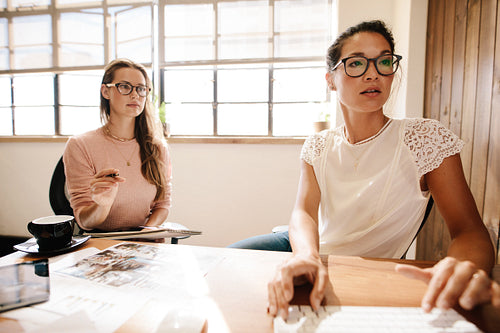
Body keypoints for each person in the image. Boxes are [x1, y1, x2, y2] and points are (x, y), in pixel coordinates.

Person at [227, 20, 495, 318]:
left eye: (384, 61)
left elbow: (469, 231)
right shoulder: (318, 144)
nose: (372, 73)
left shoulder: (425, 138)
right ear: (330, 79)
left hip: (363, 264)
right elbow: (303, 212)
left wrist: (461, 268)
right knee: (227, 263)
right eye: (356, 63)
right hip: (308, 245)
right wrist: (306, 254)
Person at [63, 58, 172, 235]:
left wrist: (145, 234)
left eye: (141, 88)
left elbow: (163, 205)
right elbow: (84, 222)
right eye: (125, 86)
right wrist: (101, 204)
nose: (135, 95)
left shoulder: (157, 147)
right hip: (101, 243)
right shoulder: (80, 145)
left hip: (145, 241)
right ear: (106, 91)